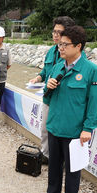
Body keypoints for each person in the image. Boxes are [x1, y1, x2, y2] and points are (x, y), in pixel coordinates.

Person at [35, 25, 97, 193]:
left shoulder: (91, 71)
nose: (60, 47)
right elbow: (46, 98)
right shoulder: (57, 66)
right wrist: (47, 87)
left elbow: (95, 102)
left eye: (65, 44)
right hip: (55, 125)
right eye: (60, 44)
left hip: (75, 130)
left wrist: (88, 128)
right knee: (54, 164)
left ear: (78, 46)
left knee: (73, 168)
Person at [28, 16, 76, 158]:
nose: (55, 35)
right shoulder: (51, 51)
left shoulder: (73, 54)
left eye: (59, 32)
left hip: (63, 101)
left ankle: (60, 159)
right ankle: (47, 155)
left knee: (60, 132)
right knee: (45, 129)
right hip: (48, 97)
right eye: (54, 31)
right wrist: (38, 78)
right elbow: (45, 71)